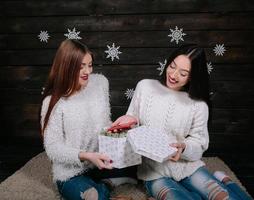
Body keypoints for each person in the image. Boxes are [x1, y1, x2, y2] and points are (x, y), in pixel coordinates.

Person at [109, 45, 252, 200]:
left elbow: (199, 144)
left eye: (183, 73)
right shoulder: (145, 86)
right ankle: (225, 181)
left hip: (188, 167)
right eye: (172, 66)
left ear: (192, 77)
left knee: (225, 198)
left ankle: (227, 183)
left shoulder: (198, 105)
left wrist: (183, 148)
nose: (174, 75)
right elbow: (133, 123)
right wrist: (130, 120)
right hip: (153, 172)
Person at [40, 39, 135, 200]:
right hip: (71, 173)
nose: (87, 71)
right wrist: (86, 155)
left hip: (102, 162)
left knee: (143, 169)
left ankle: (104, 183)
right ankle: (106, 186)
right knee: (92, 197)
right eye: (80, 66)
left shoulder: (100, 83)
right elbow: (53, 148)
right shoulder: (53, 102)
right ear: (66, 67)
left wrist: (117, 126)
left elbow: (103, 123)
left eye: (90, 65)